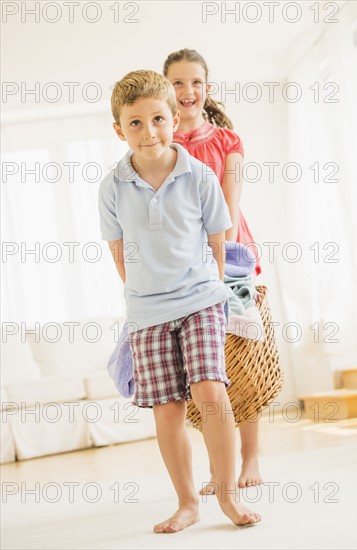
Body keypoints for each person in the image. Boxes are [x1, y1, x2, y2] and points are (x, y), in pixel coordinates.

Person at [98, 70, 261, 533]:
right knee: (167, 409)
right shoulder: (111, 188)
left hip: (201, 300)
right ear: (119, 129)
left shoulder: (201, 176)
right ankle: (187, 503)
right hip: (147, 311)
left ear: (174, 118)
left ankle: (227, 495)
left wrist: (204, 288)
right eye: (135, 123)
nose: (148, 132)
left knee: (210, 390)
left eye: (157, 119)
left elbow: (218, 243)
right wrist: (145, 294)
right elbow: (118, 252)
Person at [163, 48, 263, 492]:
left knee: (242, 359)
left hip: (233, 257)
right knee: (204, 370)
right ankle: (217, 470)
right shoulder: (160, 144)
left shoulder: (228, 141)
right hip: (183, 268)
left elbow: (230, 202)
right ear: (166, 90)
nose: (187, 92)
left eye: (195, 82)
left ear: (208, 87)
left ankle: (251, 458)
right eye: (177, 84)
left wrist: (221, 262)